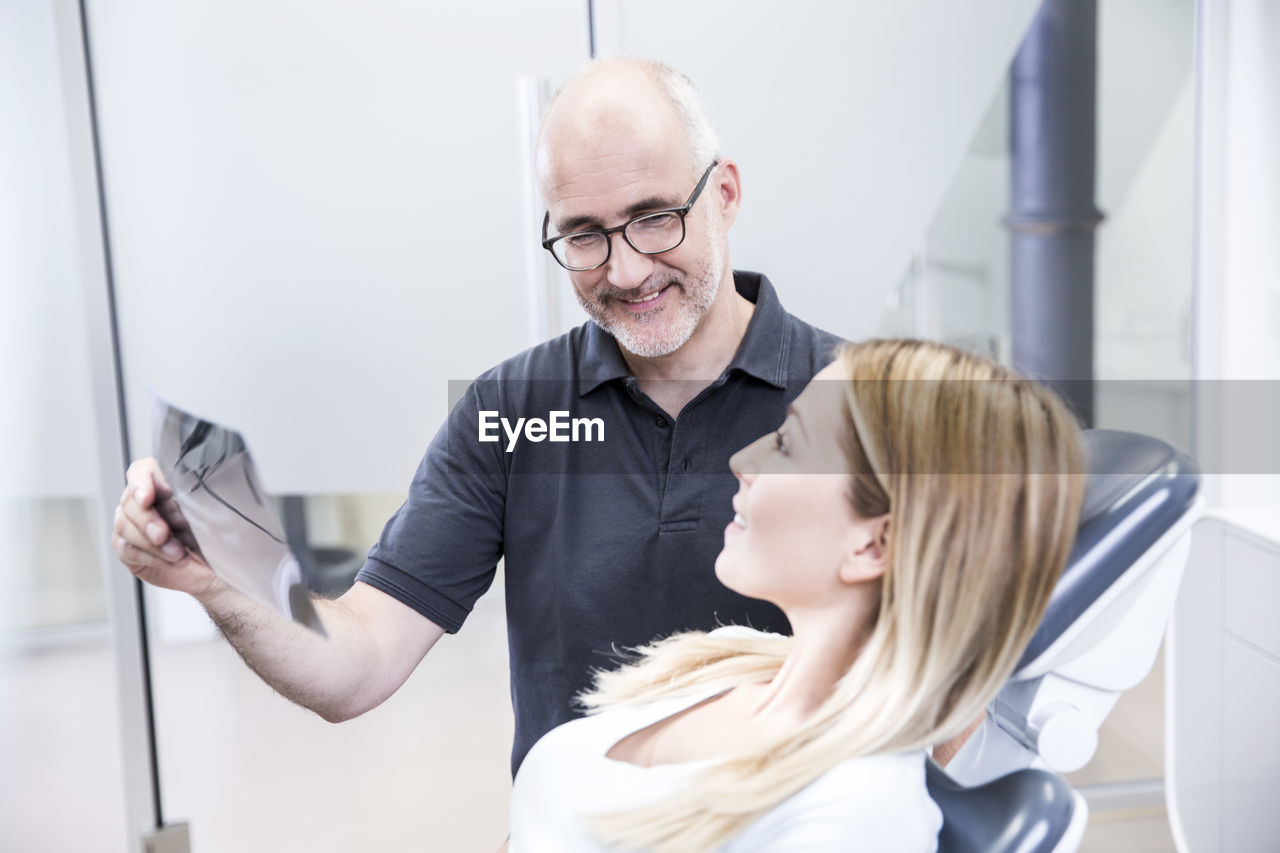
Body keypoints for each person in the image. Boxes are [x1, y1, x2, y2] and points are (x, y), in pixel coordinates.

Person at [111, 55, 841, 777]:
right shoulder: (509, 411)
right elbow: (358, 661)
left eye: (654, 219)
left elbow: (941, 692)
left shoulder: (859, 399)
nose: (624, 270)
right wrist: (219, 575)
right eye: (584, 235)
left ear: (726, 194)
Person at [508, 338, 1086, 852]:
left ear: (874, 544)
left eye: (786, 445)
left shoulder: (857, 816)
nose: (741, 462)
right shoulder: (724, 658)